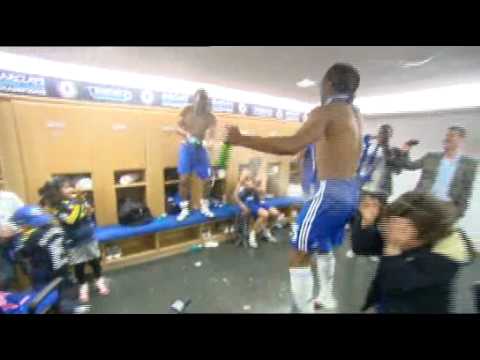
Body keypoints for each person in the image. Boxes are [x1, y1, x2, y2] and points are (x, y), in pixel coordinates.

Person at [226, 63, 362, 312]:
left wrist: (241, 139)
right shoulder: (354, 113)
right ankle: (327, 297)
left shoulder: (326, 111)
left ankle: (304, 309)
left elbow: (290, 145)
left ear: (328, 84)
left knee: (299, 253)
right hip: (351, 191)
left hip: (329, 192)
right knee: (323, 245)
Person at [351, 191, 473, 313]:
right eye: (389, 224)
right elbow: (362, 247)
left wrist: (393, 248)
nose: (389, 231)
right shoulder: (405, 235)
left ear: (421, 233)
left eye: (394, 226)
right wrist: (367, 222)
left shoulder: (444, 259)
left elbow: (396, 284)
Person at [38, 177, 109, 303]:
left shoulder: (76, 200)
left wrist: (84, 204)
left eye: (70, 186)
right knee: (79, 266)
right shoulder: (56, 207)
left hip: (88, 237)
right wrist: (79, 203)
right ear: (57, 191)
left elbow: (89, 212)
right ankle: (83, 286)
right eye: (66, 187)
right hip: (74, 241)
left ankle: (99, 280)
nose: (71, 189)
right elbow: (71, 220)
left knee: (95, 261)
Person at [10, 205, 90, 314]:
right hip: (64, 268)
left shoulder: (31, 237)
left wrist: (16, 239)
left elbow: (17, 255)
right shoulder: (56, 228)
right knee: (66, 291)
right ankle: (73, 308)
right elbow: (66, 244)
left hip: (45, 275)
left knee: (49, 296)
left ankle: (66, 309)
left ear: (26, 224)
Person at [398, 126, 478, 220]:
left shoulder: (470, 164)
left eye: (452, 135)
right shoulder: (431, 157)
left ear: (461, 139)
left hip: (446, 208)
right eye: (447, 135)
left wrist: (459, 213)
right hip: (422, 202)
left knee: (433, 234)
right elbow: (409, 166)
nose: (447, 138)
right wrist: (405, 150)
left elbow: (466, 190)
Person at [176, 89, 217, 221]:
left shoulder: (210, 116)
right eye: (198, 101)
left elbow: (211, 135)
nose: (200, 105)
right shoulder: (187, 110)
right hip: (187, 148)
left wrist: (209, 142)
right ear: (194, 100)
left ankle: (205, 206)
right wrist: (187, 135)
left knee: (207, 180)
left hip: (200, 149)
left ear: (206, 102)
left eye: (203, 102)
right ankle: (184, 209)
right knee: (184, 179)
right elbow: (178, 127)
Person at [234, 168, 282, 248]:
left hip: (258, 202)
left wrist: (258, 188)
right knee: (265, 214)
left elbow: (261, 192)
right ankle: (252, 235)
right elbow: (235, 196)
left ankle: (266, 231)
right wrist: (241, 205)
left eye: (247, 172)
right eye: (245, 173)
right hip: (249, 203)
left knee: (276, 213)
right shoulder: (240, 184)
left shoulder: (252, 181)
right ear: (241, 175)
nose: (247, 174)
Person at [0, 190, 24, 290]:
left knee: (30, 268)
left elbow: (24, 216)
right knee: (6, 277)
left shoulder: (9, 197)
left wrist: (12, 229)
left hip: (16, 239)